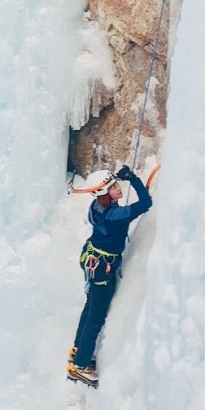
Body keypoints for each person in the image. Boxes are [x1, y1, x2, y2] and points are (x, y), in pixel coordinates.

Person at [67, 164, 153, 387]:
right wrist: (133, 178)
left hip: (93, 260)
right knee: (96, 317)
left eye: (116, 185)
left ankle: (78, 351)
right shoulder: (114, 215)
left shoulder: (97, 207)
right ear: (103, 193)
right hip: (102, 268)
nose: (118, 189)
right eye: (114, 187)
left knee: (90, 307)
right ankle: (81, 365)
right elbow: (146, 204)